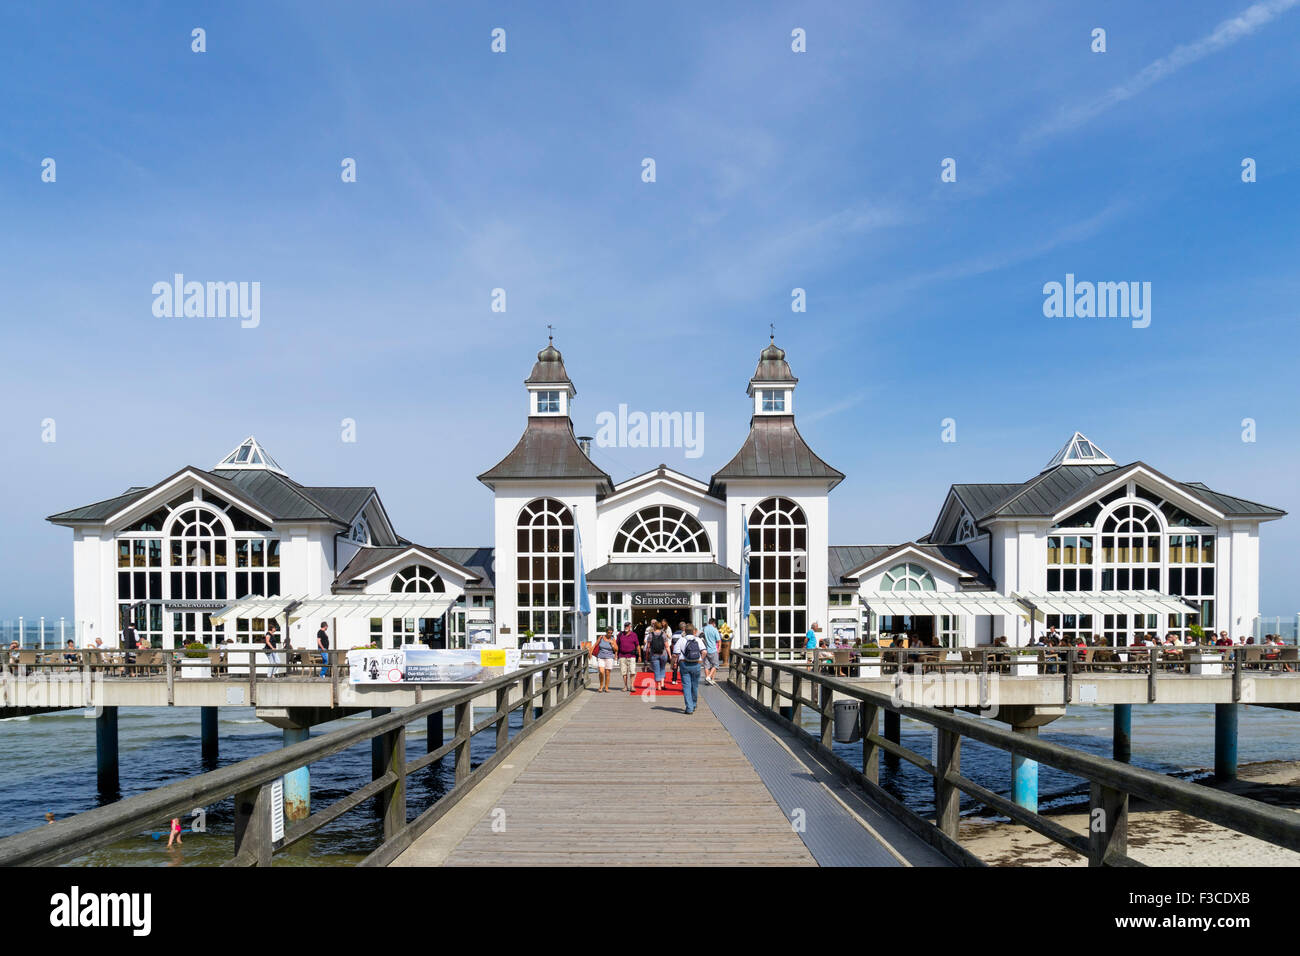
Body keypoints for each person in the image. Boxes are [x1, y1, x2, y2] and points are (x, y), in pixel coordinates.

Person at [673, 624, 705, 715]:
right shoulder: (698, 640)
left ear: (685, 631)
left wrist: (674, 663)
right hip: (696, 664)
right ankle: (694, 704)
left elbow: (675, 654)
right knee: (695, 685)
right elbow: (704, 651)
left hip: (684, 664)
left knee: (686, 686)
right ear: (694, 631)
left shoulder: (681, 640)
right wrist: (700, 660)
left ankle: (689, 708)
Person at [646, 620, 670, 691]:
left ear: (654, 627)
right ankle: (662, 684)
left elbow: (648, 646)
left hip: (654, 655)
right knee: (662, 668)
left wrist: (647, 655)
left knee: (656, 670)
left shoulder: (651, 635)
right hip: (663, 654)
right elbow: (667, 646)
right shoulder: (663, 634)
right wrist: (670, 655)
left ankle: (658, 686)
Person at [616, 621, 640, 692]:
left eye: (628, 626)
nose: (626, 627)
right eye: (625, 626)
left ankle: (632, 686)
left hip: (631, 655)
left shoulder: (634, 635)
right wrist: (616, 655)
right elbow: (617, 645)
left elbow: (637, 645)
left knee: (632, 671)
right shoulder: (620, 634)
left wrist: (639, 656)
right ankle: (625, 686)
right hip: (622, 655)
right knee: (624, 672)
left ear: (630, 627)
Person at [593, 627, 616, 692]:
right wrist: (590, 652)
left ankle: (606, 687)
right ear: (606, 632)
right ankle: (601, 686)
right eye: (609, 633)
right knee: (601, 672)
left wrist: (613, 644)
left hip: (609, 657)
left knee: (607, 673)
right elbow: (595, 645)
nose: (610, 634)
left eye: (611, 633)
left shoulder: (613, 639)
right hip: (601, 656)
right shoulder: (601, 637)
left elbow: (616, 649)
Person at [701, 617, 722, 685]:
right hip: (713, 649)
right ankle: (710, 677)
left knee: (706, 666)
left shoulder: (704, 628)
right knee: (715, 665)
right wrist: (719, 648)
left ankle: (709, 679)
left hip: (705, 649)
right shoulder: (714, 630)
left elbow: (700, 636)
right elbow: (719, 640)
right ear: (713, 623)